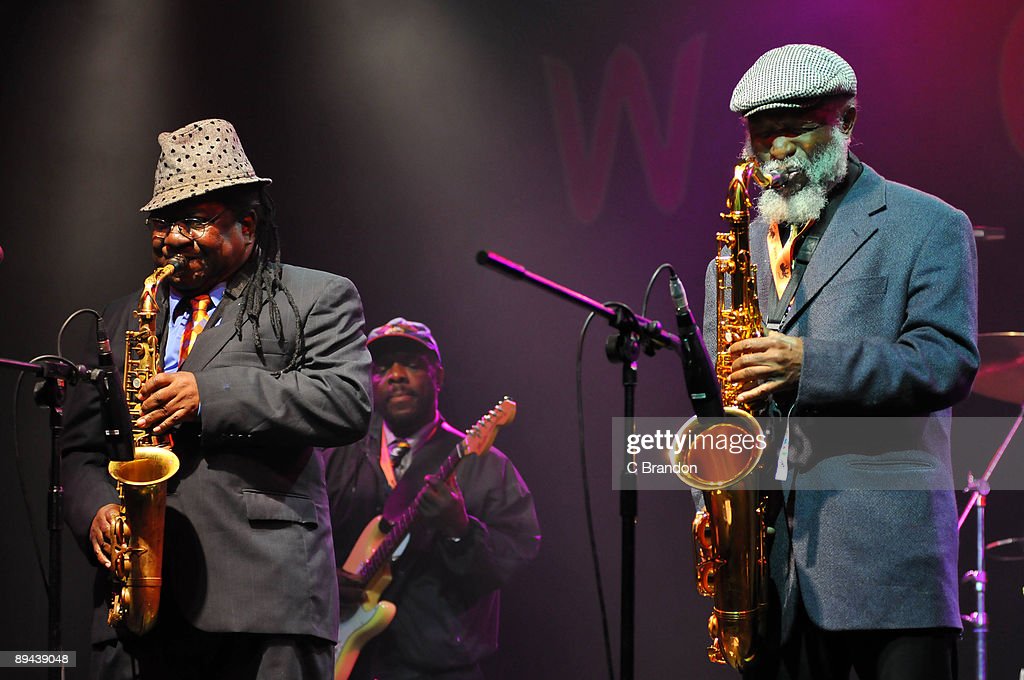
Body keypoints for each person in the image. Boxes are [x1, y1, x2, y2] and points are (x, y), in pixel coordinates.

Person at [700, 45, 979, 679]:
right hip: (770, 577)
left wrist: (809, 364)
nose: (774, 152)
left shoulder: (928, 224)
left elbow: (945, 362)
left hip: (887, 571)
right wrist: (715, 514)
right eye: (760, 135)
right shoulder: (732, 259)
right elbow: (727, 406)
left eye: (794, 130)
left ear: (846, 121)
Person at [61, 118, 373, 679]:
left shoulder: (316, 296)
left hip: (264, 601)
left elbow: (346, 399)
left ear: (248, 225)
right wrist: (98, 510)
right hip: (137, 611)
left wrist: (210, 394)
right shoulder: (115, 319)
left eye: (194, 221)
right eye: (162, 223)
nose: (173, 239)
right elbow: (80, 451)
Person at [322, 317, 540, 680]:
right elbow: (299, 538)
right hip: (348, 658)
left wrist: (460, 530)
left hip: (439, 666)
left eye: (411, 364)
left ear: (437, 377)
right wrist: (323, 577)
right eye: (381, 367)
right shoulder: (336, 456)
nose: (396, 375)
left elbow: (516, 554)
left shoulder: (484, 465)